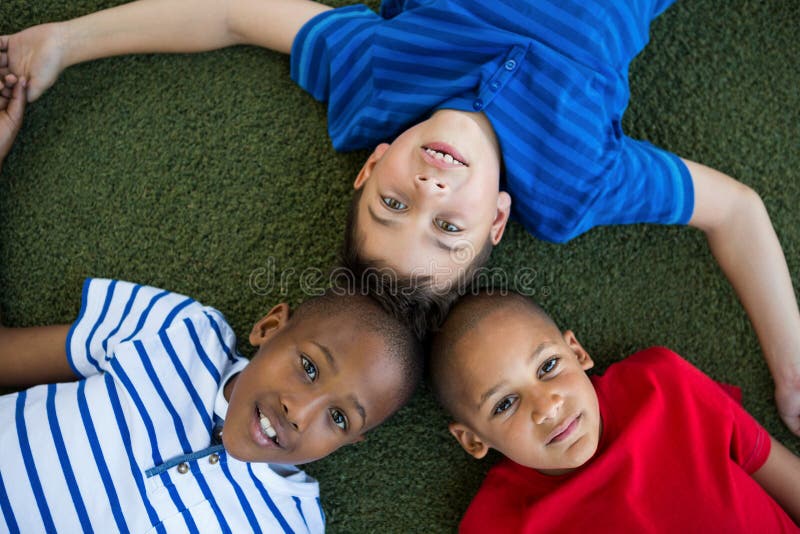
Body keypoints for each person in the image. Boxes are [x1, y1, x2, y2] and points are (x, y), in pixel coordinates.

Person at [1, 0, 798, 436]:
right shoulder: (575, 185)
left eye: (393, 204)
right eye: (447, 226)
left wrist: (68, 40)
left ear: (371, 164)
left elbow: (235, 18)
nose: (430, 188)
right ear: (495, 221)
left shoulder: (371, 84)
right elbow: (736, 211)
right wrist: (792, 375)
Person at [0, 277, 423, 532]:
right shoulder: (179, 331)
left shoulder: (291, 526)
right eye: (309, 368)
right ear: (270, 327)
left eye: (338, 418)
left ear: (351, 441)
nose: (301, 413)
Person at [428, 291, 800, 533]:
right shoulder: (498, 524)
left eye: (547, 367)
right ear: (473, 440)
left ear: (577, 352)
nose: (547, 407)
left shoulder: (660, 384)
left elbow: (763, 459)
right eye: (505, 404)